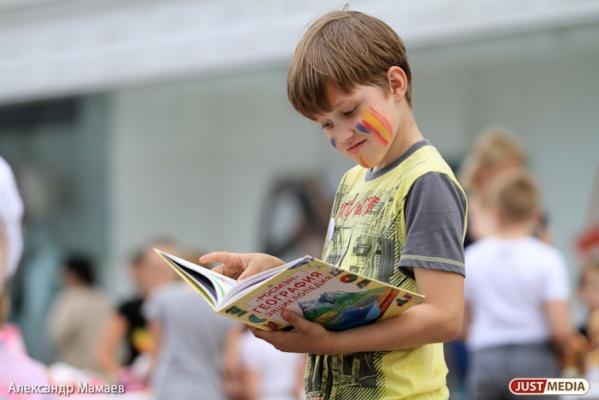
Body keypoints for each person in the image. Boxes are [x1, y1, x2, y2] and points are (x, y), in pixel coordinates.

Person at [200, 9, 467, 399]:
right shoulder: (351, 181)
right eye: (325, 124)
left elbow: (445, 316)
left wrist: (330, 344)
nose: (341, 135)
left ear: (395, 83)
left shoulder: (426, 181)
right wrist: (276, 277)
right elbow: (347, 289)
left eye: (348, 111)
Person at [463, 171, 582, 400]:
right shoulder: (548, 258)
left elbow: (462, 322)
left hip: (486, 359)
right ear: (536, 213)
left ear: (497, 211)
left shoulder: (473, 257)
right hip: (535, 360)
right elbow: (560, 329)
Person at [144, 253, 234, 400]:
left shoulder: (161, 296)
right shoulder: (225, 302)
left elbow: (155, 350)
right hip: (210, 388)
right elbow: (232, 363)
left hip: (168, 386)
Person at [95, 240, 177, 381]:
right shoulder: (130, 308)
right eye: (154, 268)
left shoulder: (184, 307)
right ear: (141, 269)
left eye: (167, 268)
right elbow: (103, 353)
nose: (159, 275)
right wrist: (127, 379)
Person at [47, 253, 112, 371]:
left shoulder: (71, 298)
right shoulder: (104, 298)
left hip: (75, 368)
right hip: (103, 368)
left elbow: (58, 333)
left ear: (72, 274)